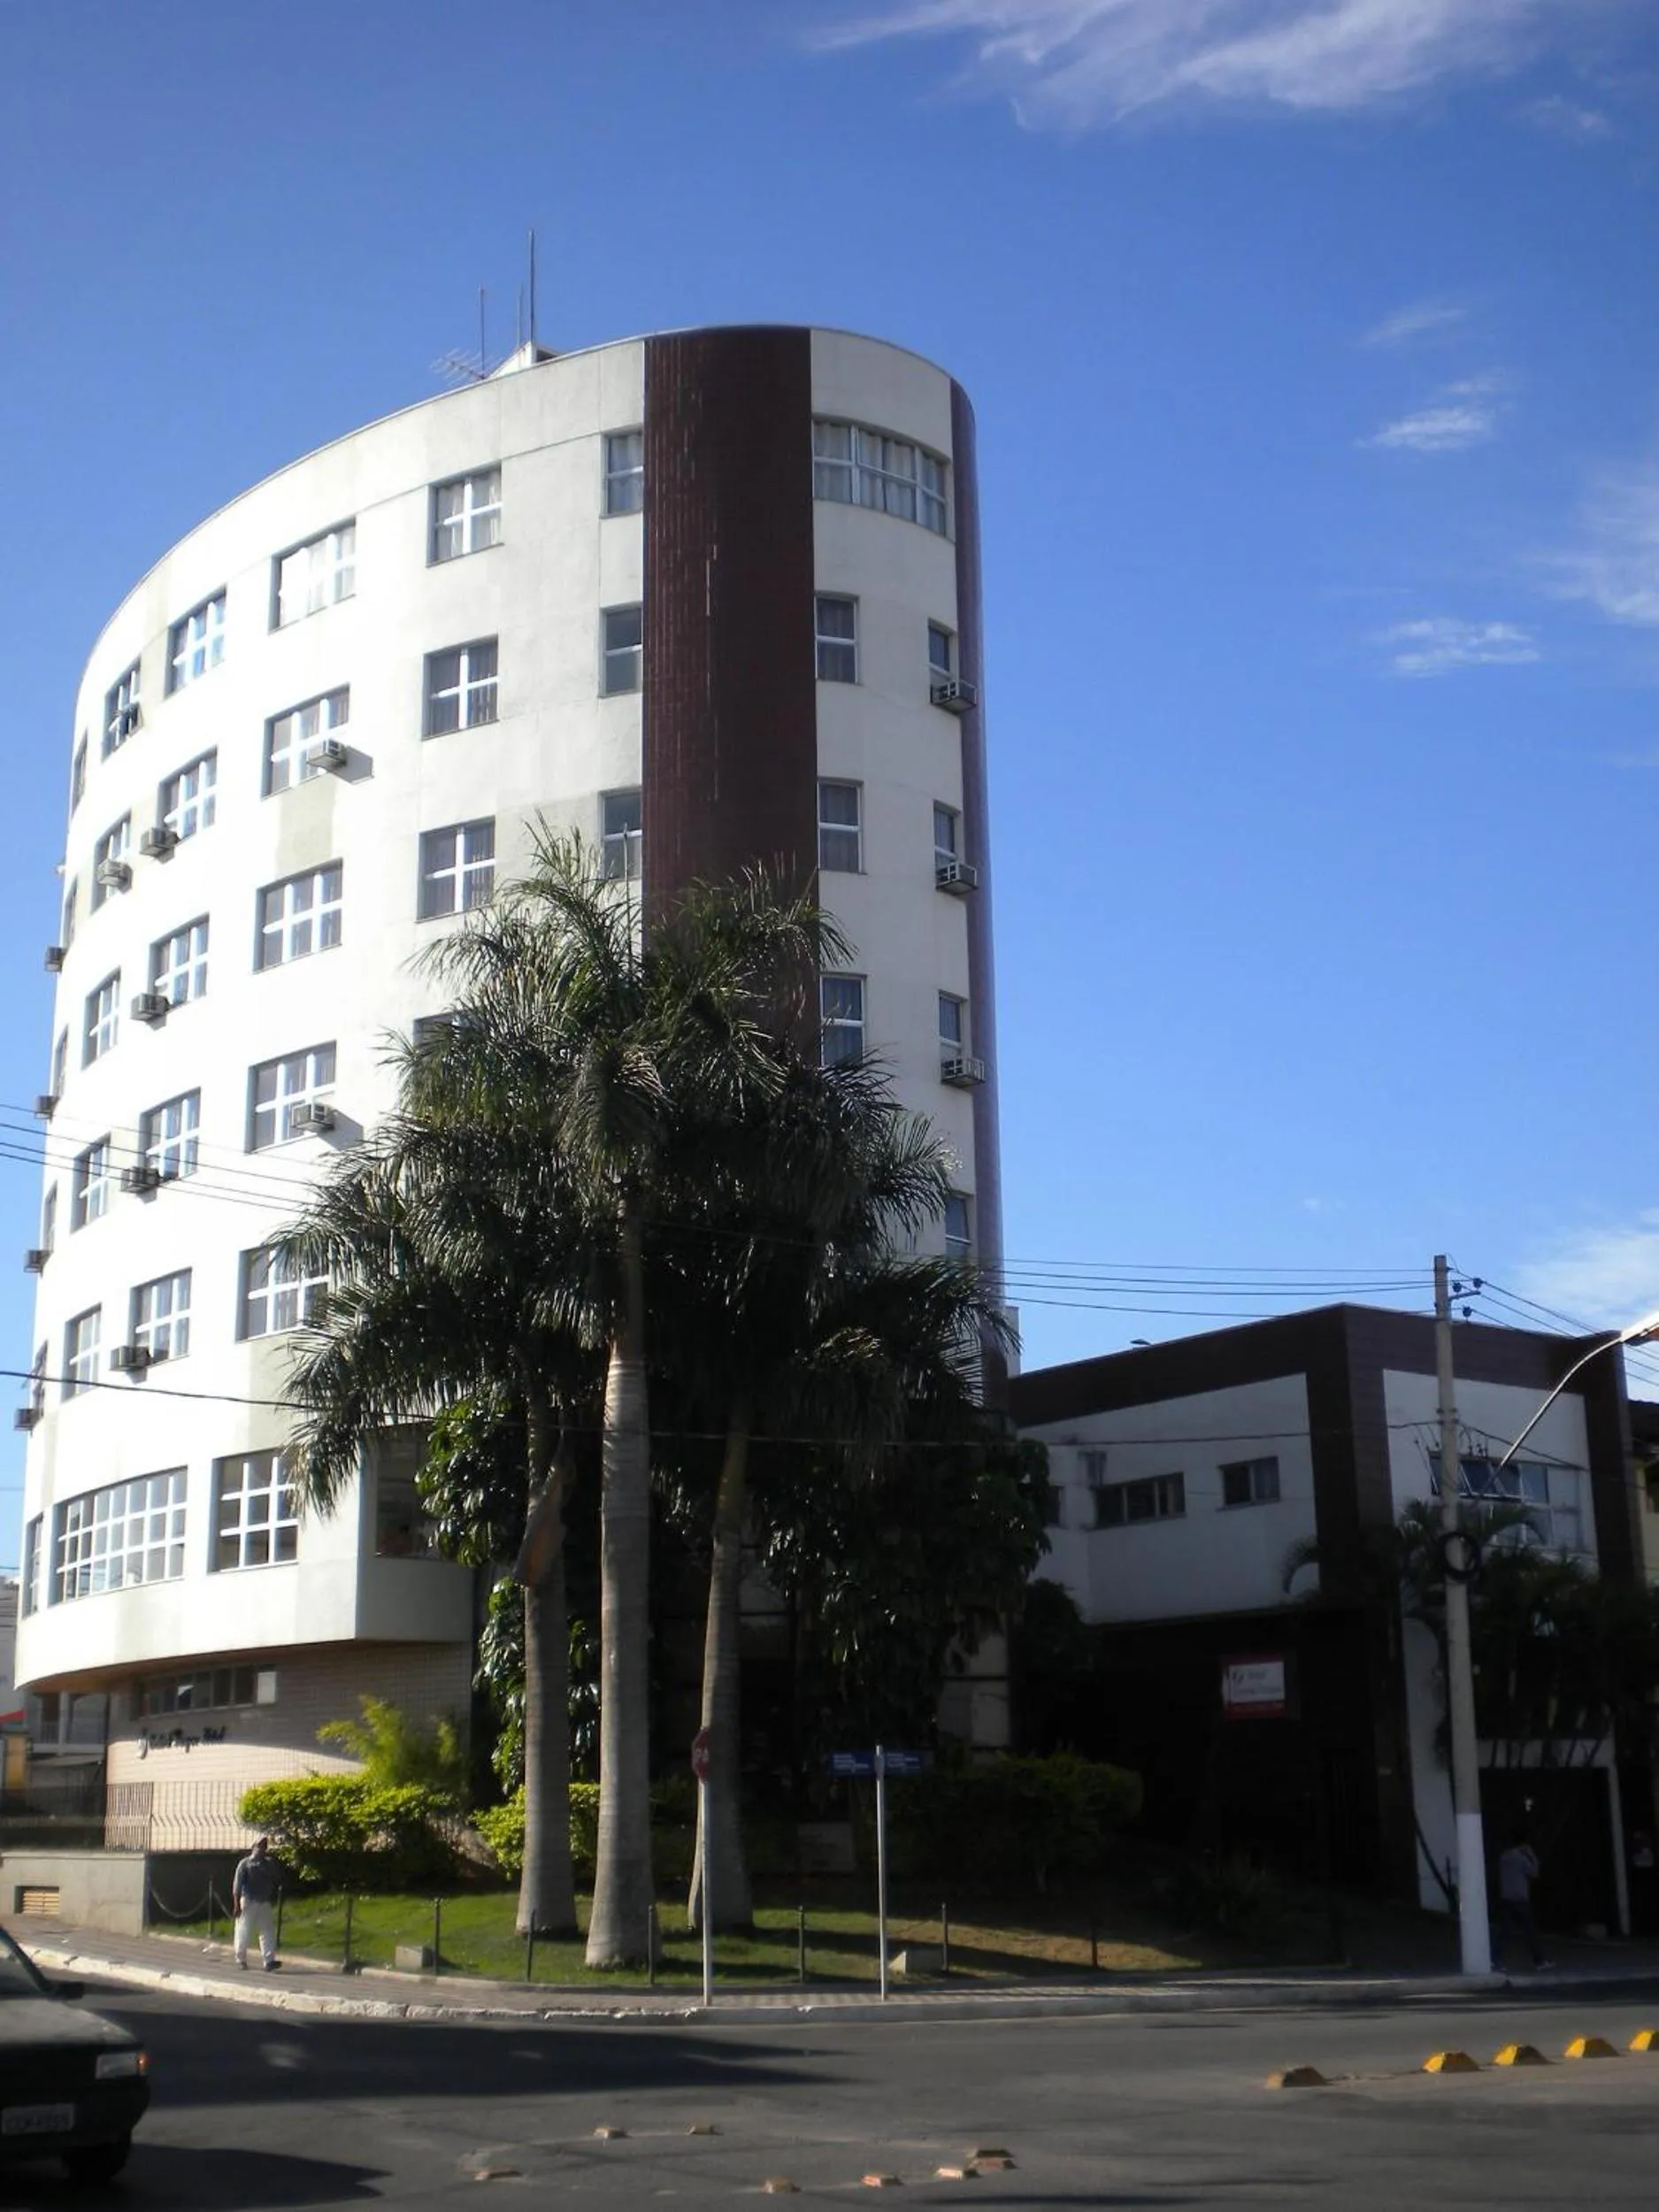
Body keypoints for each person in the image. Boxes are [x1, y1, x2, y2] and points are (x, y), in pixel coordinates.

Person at [1495, 1832, 1550, 1971]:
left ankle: (1496, 1959)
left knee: (1504, 1930)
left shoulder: (1504, 1856)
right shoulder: (1520, 1858)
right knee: (1530, 1930)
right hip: (1520, 1898)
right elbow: (1535, 1872)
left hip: (1506, 1896)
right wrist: (1532, 1855)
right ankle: (1539, 1960)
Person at [232, 1834, 281, 1971]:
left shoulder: (268, 1863)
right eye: (260, 1845)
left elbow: (275, 1878)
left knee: (267, 1931)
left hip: (264, 1901)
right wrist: (236, 1904)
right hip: (248, 1900)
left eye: (265, 1845)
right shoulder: (245, 1864)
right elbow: (237, 1885)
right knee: (244, 1930)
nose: (263, 1848)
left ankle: (269, 1960)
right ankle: (241, 1958)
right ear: (253, 1847)